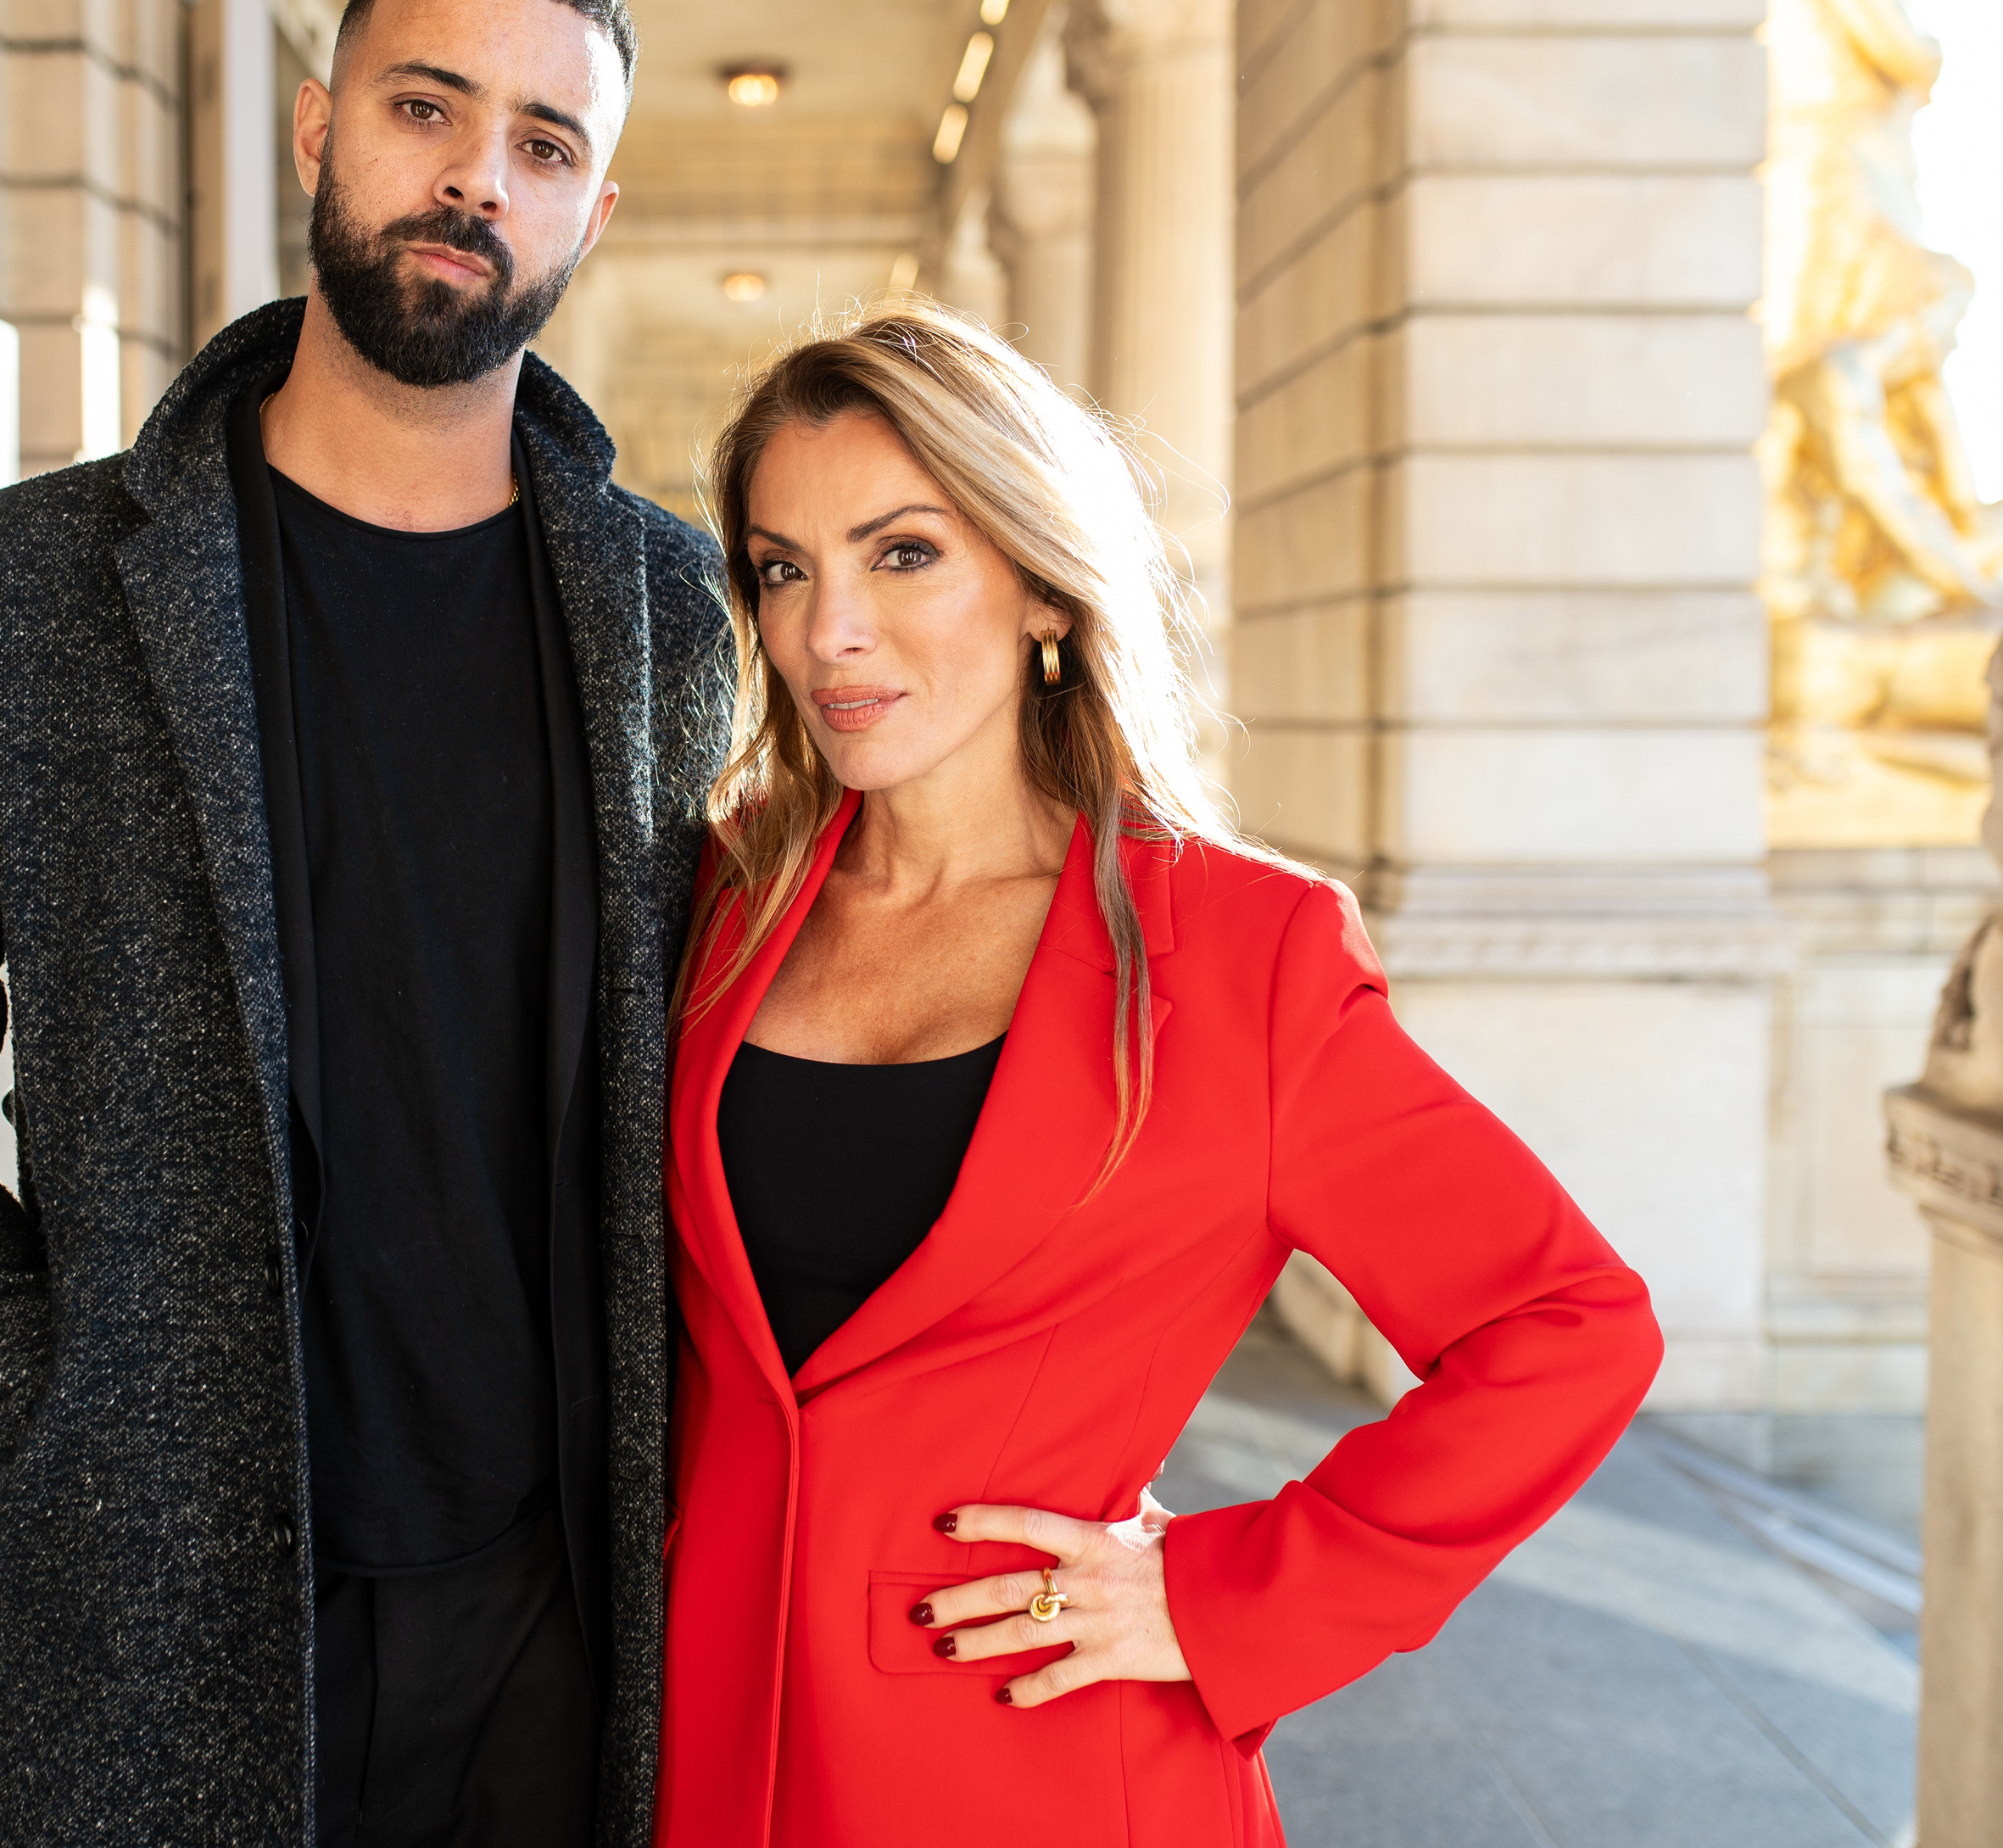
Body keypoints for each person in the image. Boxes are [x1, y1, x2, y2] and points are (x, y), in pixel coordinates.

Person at [0, 0, 727, 1848]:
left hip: (560, 1614)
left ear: (591, 215)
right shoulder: (24, 588)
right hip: (153, 1610)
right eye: (426, 107)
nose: (477, 176)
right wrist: (42, 1401)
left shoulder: (670, 612)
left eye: (542, 145)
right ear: (317, 127)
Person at [656, 304, 1664, 1845]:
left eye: (903, 553)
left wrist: (1217, 1597)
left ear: (1041, 585)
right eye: (783, 568)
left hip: (1045, 1767)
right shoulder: (721, 901)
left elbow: (1569, 1324)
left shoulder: (1247, 957)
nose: (829, 630)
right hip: (705, 1751)